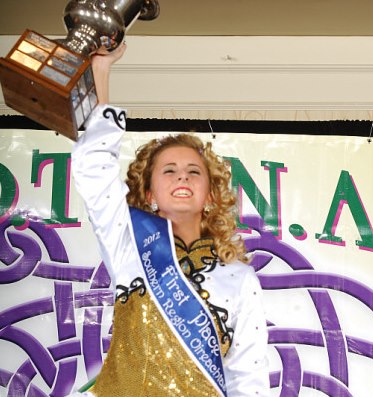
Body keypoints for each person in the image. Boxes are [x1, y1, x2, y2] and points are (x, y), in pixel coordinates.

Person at [70, 43, 270, 396]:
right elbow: (94, 170)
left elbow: (248, 379)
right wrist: (101, 69)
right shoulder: (129, 245)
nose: (182, 178)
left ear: (210, 195)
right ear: (149, 193)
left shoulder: (240, 278)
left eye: (194, 172)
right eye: (169, 171)